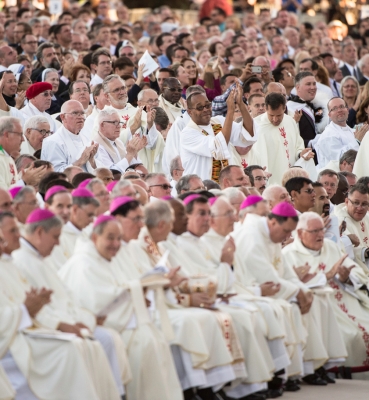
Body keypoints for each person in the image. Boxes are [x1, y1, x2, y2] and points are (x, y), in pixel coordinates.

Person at [58, 211, 184, 400]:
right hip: (101, 325)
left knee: (154, 338)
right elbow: (97, 303)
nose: (116, 244)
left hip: (121, 320)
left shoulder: (104, 257)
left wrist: (146, 290)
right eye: (110, 238)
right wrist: (138, 295)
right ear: (94, 237)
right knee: (145, 343)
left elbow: (122, 288)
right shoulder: (84, 263)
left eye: (118, 238)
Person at [0, 212, 121, 400]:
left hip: (29, 330)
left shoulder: (13, 263)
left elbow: (62, 300)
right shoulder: (21, 261)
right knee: (72, 349)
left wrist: (82, 319)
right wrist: (25, 310)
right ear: (40, 232)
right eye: (13, 231)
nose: (19, 235)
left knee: (88, 344)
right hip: (15, 339)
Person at [233, 201, 347, 385]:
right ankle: (285, 373)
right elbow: (267, 277)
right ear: (273, 223)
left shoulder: (271, 235)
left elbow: (285, 272)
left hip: (267, 292)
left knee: (315, 300)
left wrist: (301, 290)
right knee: (293, 308)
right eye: (286, 232)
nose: (287, 237)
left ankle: (310, 367)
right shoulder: (253, 237)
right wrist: (297, 292)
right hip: (249, 291)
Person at [282, 212, 369, 370]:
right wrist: (326, 276)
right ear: (300, 233)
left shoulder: (330, 247)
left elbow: (355, 271)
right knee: (349, 336)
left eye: (322, 230)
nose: (321, 235)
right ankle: (333, 371)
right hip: (321, 308)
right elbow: (289, 286)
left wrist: (346, 278)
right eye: (314, 231)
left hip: (346, 301)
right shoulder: (288, 255)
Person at [180, 85, 256, 182]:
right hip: (201, 189)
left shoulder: (219, 121)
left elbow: (248, 134)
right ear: (190, 112)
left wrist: (240, 104)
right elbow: (217, 148)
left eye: (208, 105)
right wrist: (230, 111)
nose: (205, 109)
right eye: (200, 107)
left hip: (225, 187)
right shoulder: (188, 133)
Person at [253, 93, 312, 185]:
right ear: (266, 109)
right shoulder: (256, 126)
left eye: (279, 115)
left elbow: (298, 145)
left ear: (284, 108)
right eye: (271, 115)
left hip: (291, 175)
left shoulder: (290, 122)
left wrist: (301, 153)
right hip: (270, 176)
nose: (275, 119)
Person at [41, 100, 99, 172]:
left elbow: (98, 167)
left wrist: (92, 160)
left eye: (82, 113)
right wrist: (80, 161)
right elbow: (56, 173)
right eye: (75, 113)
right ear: (63, 117)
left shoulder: (87, 137)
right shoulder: (53, 142)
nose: (80, 117)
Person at [94, 108, 147, 173]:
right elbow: (111, 173)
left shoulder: (118, 142)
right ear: (102, 125)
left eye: (119, 123)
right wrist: (130, 154)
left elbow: (130, 166)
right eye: (115, 122)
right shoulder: (97, 146)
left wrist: (134, 152)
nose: (119, 126)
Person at [335, 184, 369, 273]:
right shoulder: (340, 221)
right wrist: (365, 252)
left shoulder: (367, 217)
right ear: (347, 202)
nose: (360, 208)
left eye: (364, 204)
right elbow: (344, 249)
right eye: (356, 203)